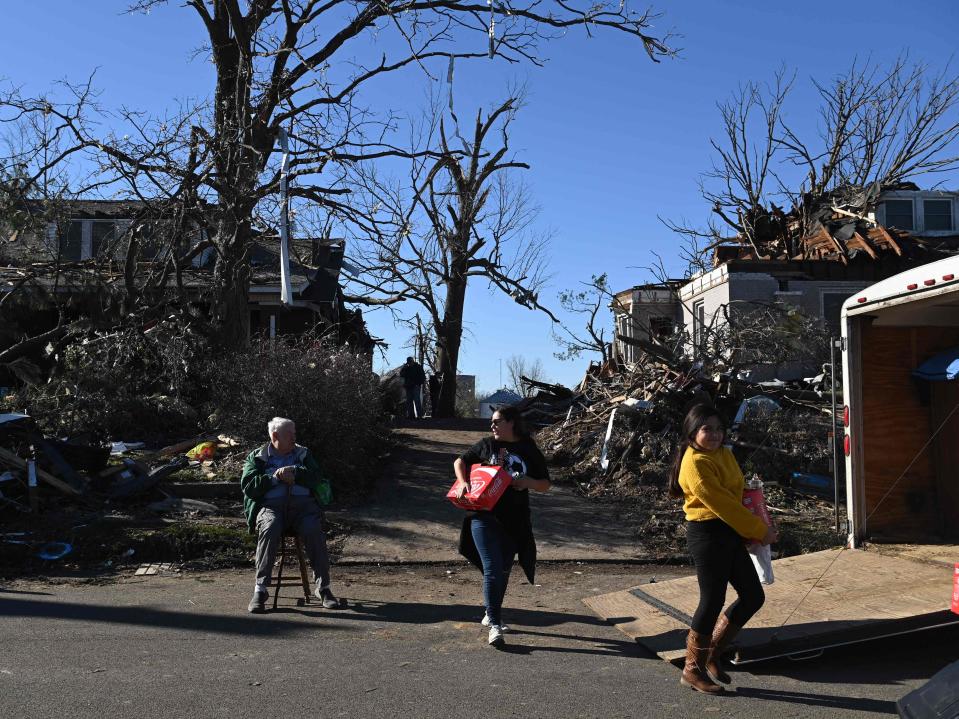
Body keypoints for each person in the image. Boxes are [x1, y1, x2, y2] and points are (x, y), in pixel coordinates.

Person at [667, 403, 778, 694]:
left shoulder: (724, 453)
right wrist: (758, 530)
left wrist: (756, 507)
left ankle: (712, 653)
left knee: (753, 596)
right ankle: (692, 669)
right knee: (712, 600)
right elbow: (722, 503)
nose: (714, 435)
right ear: (692, 432)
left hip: (728, 531)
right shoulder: (695, 463)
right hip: (707, 534)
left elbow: (736, 493)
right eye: (707, 429)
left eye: (718, 429)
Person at [453, 404, 551, 647]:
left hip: (515, 519)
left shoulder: (528, 448)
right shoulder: (487, 445)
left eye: (497, 421)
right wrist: (463, 482)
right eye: (492, 422)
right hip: (483, 516)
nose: (492, 425)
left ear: (512, 423)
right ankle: (495, 624)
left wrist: (527, 482)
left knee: (503, 570)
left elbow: (545, 484)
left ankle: (490, 610)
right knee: (493, 568)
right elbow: (460, 462)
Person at [241, 417, 345, 613]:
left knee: (313, 529)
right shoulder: (257, 457)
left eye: (294, 434)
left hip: (303, 508)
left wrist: (296, 472)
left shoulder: (303, 454)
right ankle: (260, 590)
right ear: (274, 436)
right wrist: (273, 478)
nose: (294, 438)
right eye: (290, 435)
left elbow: (317, 477)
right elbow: (248, 487)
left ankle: (324, 588)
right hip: (271, 508)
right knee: (269, 527)